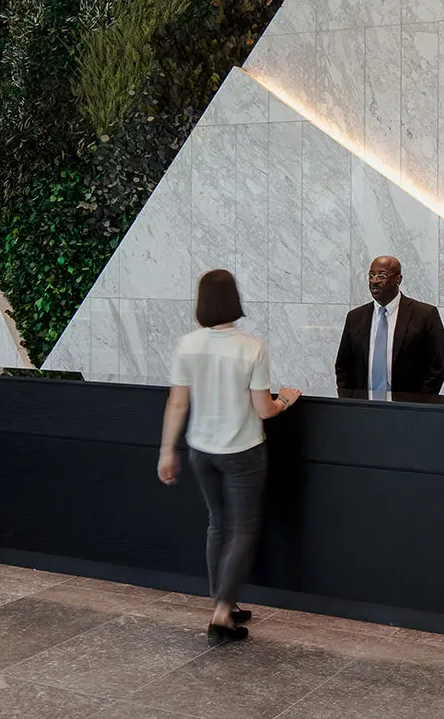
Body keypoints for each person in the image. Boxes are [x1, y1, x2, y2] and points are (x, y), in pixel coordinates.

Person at [158, 269, 300, 645]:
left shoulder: (187, 345)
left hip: (201, 451)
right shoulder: (252, 347)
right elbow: (264, 409)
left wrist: (167, 450)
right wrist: (286, 400)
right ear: (234, 300)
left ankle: (224, 601)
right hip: (243, 451)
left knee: (217, 524)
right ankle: (223, 613)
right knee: (243, 530)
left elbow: (177, 403)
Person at [334, 254, 444, 396]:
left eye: (381, 276)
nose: (374, 281)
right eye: (371, 275)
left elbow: (438, 366)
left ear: (398, 279)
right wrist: (349, 401)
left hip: (408, 405)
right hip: (362, 405)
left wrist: (419, 402)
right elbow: (343, 366)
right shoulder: (355, 317)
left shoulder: (425, 315)